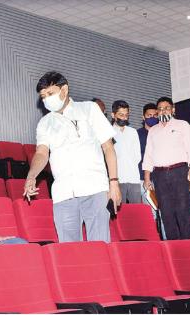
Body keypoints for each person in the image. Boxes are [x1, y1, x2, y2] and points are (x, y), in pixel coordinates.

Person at [23, 71, 121, 243]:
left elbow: (108, 147)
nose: (46, 99)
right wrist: (31, 176)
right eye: (43, 96)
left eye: (50, 93)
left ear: (64, 90)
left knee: (99, 248)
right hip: (63, 193)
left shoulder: (89, 109)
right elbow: (41, 153)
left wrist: (114, 182)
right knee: (69, 251)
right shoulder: (44, 123)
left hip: (95, 187)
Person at [143, 96, 190, 240]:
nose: (162, 111)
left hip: (179, 172)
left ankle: (189, 245)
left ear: (173, 109)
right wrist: (147, 177)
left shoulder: (182, 125)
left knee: (183, 211)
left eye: (166, 108)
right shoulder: (153, 130)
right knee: (166, 213)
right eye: (160, 109)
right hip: (160, 175)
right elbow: (148, 154)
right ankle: (174, 249)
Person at [111, 100, 141, 203]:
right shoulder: (108, 132)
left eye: (126, 115)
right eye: (121, 115)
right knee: (120, 212)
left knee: (136, 211)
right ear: (113, 115)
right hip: (117, 180)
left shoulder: (133, 132)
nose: (124, 118)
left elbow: (138, 156)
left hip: (134, 178)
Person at [137, 103, 159, 199]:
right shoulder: (136, 134)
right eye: (149, 115)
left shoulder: (161, 133)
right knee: (147, 211)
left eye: (155, 115)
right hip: (141, 178)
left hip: (159, 177)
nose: (152, 117)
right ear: (143, 117)